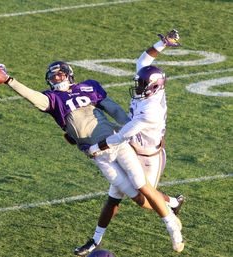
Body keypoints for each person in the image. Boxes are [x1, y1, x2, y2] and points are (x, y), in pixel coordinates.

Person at [0, 36, 183, 253]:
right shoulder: (52, 99)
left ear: (69, 74)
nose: (57, 78)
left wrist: (115, 137)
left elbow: (116, 113)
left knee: (142, 187)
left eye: (60, 74)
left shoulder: (95, 89)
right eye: (53, 76)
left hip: (126, 145)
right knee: (132, 199)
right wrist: (9, 80)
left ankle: (172, 227)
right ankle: (165, 208)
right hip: (103, 154)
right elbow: (32, 96)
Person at [74, 30, 184, 256]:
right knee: (114, 195)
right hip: (131, 147)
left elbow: (121, 135)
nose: (138, 87)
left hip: (148, 155)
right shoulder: (148, 90)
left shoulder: (151, 110)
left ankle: (172, 210)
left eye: (142, 85)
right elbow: (143, 61)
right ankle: (95, 239)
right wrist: (162, 44)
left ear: (153, 87)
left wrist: (96, 147)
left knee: (144, 199)